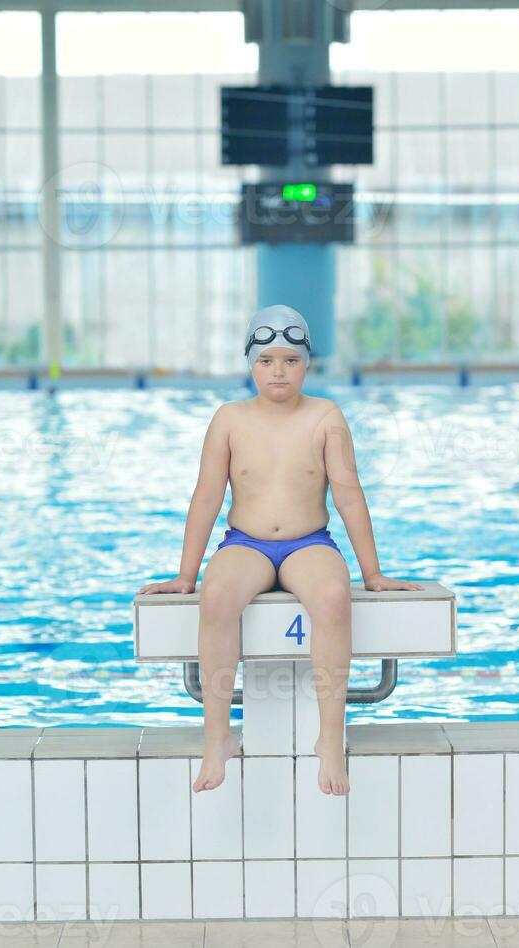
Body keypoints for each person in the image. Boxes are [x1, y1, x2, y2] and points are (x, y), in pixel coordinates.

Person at [137, 304, 422, 796]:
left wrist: (372, 574)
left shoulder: (326, 417)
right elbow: (206, 497)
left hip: (308, 542)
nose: (278, 370)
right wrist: (186, 575)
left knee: (334, 598)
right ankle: (218, 737)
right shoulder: (228, 419)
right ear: (250, 364)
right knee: (217, 597)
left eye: (290, 360)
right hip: (244, 542)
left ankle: (330, 737)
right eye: (266, 360)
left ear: (307, 364)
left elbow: (349, 495)